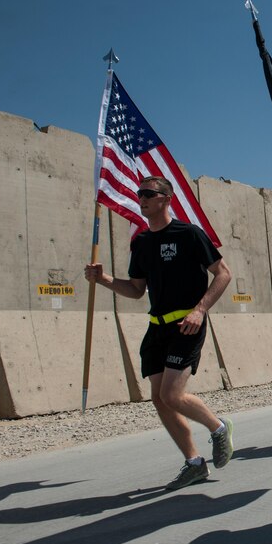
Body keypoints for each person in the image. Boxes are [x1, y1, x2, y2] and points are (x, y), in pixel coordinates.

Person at [85, 175, 234, 490]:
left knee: (172, 394)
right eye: (140, 194)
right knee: (159, 398)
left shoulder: (189, 234)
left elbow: (223, 273)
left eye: (149, 194)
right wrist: (104, 279)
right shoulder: (141, 242)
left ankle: (219, 427)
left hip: (187, 324)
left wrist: (200, 309)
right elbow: (137, 290)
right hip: (157, 327)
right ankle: (194, 462)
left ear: (166, 199)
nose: (142, 198)